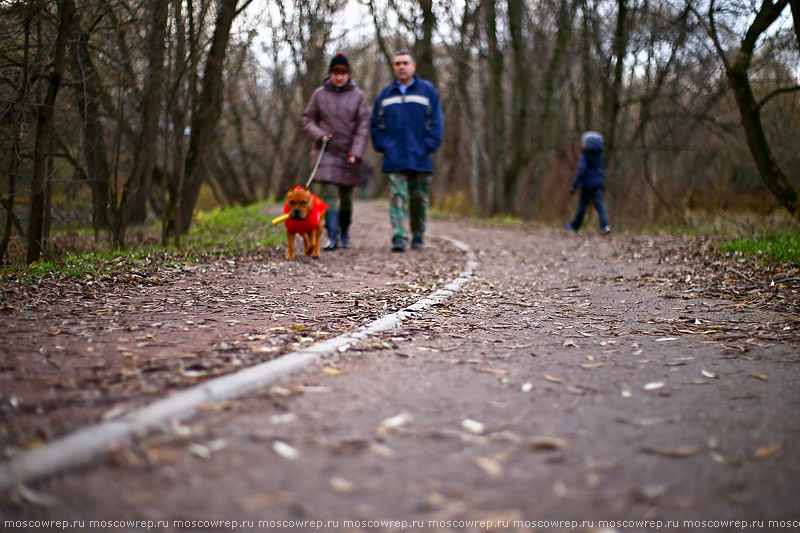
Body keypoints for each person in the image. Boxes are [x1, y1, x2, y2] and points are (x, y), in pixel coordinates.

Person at [370, 50, 444, 252]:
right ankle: (399, 237)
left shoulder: (427, 91)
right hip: (394, 157)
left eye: (405, 63)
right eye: (397, 64)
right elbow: (376, 125)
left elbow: (437, 123)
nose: (401, 67)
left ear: (413, 66)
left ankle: (418, 235)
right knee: (397, 197)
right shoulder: (386, 94)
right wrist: (384, 146)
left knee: (419, 198)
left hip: (420, 156)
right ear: (393, 67)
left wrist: (428, 146)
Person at [302, 53, 370, 250]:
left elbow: (363, 126)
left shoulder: (358, 96)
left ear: (348, 74)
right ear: (330, 73)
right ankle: (332, 236)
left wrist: (356, 152)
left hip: (349, 154)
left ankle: (345, 233)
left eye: (342, 73)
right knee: (329, 195)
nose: (339, 77)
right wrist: (319, 134)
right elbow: (308, 120)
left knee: (346, 198)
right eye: (335, 72)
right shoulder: (319, 95)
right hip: (326, 153)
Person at [566, 131, 611, 234]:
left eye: (583, 142)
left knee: (582, 206)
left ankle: (574, 227)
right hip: (599, 184)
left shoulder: (585, 156)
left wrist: (574, 186)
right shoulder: (599, 156)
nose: (582, 144)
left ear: (587, 144)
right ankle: (605, 226)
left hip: (587, 186)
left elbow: (581, 171)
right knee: (600, 205)